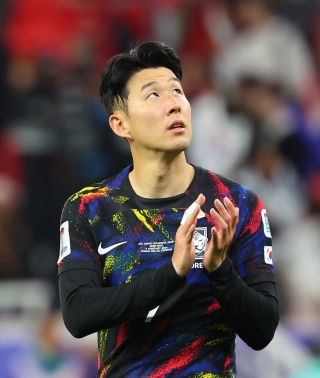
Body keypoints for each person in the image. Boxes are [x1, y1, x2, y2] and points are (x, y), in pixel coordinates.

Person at [57, 41, 279, 377]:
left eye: (178, 91)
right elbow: (77, 315)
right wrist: (172, 273)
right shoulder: (90, 209)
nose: (174, 104)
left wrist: (220, 270)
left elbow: (262, 331)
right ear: (121, 125)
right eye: (153, 95)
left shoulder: (234, 203)